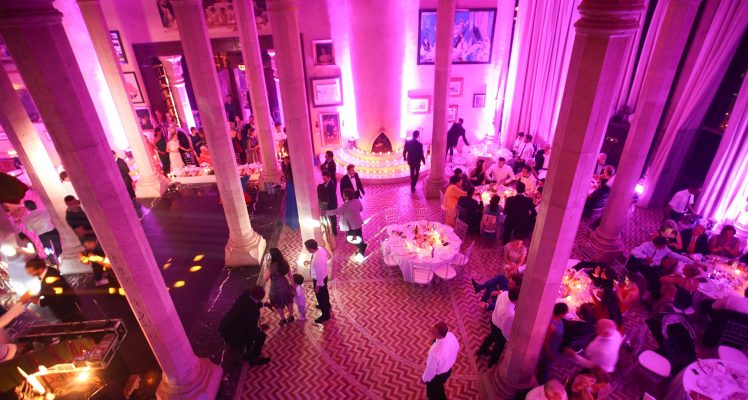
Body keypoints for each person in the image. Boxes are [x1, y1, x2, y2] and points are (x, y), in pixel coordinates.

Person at [627, 236, 692, 301]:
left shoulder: (665, 249)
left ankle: (654, 295)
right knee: (655, 279)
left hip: (656, 267)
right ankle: (652, 296)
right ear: (656, 245)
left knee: (661, 278)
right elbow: (634, 251)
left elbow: (676, 256)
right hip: (645, 266)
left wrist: (691, 261)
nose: (664, 247)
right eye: (663, 246)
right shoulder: (646, 245)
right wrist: (645, 257)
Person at [218, 286, 271, 365]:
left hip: (226, 325)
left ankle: (247, 350)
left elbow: (252, 302)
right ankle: (254, 358)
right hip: (235, 333)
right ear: (260, 298)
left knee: (252, 333)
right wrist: (259, 330)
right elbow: (252, 331)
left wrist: (264, 304)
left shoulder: (245, 294)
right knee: (261, 336)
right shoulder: (254, 311)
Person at [22, 257, 83, 322]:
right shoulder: (48, 271)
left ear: (40, 269)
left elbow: (58, 296)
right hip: (65, 307)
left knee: (77, 324)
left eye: (31, 271)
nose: (29, 273)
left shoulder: (51, 277)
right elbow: (49, 289)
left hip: (66, 308)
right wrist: (39, 295)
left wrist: (39, 302)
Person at [478, 286, 519, 367]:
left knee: (491, 336)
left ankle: (481, 350)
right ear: (515, 300)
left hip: (494, 319)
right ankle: (492, 363)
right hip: (499, 328)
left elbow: (500, 292)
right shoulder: (510, 313)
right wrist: (508, 339)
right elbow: (505, 329)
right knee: (498, 347)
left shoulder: (505, 293)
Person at [421, 322, 459, 400]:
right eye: (433, 327)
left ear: (440, 335)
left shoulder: (435, 352)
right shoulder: (450, 335)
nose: (431, 330)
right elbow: (457, 347)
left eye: (433, 332)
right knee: (439, 386)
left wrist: (424, 378)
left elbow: (431, 370)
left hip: (438, 376)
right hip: (448, 370)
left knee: (432, 393)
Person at [326, 188, 367, 256]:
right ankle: (362, 247)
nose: (342, 195)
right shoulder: (357, 201)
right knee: (359, 236)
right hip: (358, 223)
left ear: (346, 196)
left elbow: (335, 212)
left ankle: (361, 248)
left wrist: (325, 213)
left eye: (343, 195)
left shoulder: (345, 206)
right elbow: (361, 209)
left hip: (351, 226)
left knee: (350, 238)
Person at [537, 303, 569, 384]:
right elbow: (545, 342)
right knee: (545, 368)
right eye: (565, 313)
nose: (566, 314)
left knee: (546, 367)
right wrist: (549, 354)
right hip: (549, 350)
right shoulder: (552, 326)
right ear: (561, 313)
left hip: (555, 346)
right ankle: (542, 384)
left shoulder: (560, 320)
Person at [264, 248, 295, 325]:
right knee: (289, 301)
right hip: (285, 284)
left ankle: (283, 319)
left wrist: (266, 266)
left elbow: (265, 279)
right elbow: (290, 276)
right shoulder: (284, 262)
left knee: (277, 304)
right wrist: (293, 287)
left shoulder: (270, 267)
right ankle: (291, 316)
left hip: (275, 288)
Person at [305, 239, 331, 323]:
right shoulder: (320, 249)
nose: (306, 249)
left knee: (320, 297)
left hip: (319, 280)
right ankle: (327, 305)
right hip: (324, 275)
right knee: (325, 292)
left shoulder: (317, 261)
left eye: (307, 248)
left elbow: (319, 275)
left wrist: (317, 286)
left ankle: (325, 315)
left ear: (311, 248)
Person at [317, 170, 338, 236]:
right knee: (329, 217)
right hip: (328, 204)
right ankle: (330, 229)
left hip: (332, 204)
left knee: (333, 218)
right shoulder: (325, 184)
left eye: (325, 178)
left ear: (329, 177)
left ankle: (334, 231)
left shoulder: (331, 184)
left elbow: (329, 195)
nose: (324, 180)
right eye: (323, 178)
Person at [281, 157, 299, 230]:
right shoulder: (287, 166)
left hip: (291, 186)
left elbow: (288, 178)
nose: (284, 162)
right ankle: (290, 221)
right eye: (284, 161)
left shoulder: (290, 168)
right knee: (290, 202)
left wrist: (284, 178)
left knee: (292, 203)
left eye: (285, 161)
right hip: (289, 186)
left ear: (288, 161)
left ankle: (294, 223)